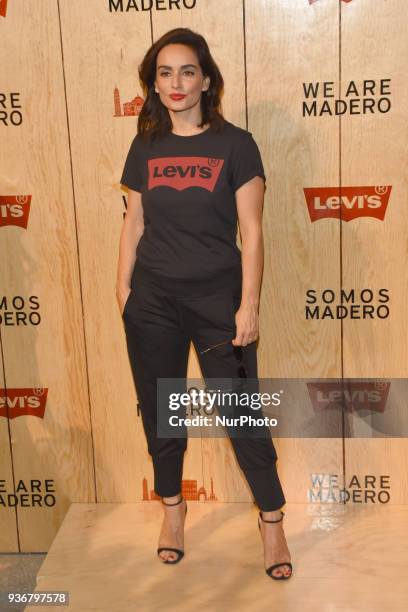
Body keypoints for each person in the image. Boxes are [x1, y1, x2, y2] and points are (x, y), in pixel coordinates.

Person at [117, 27, 292, 580]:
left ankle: (272, 520)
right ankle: (173, 511)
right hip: (152, 302)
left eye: (186, 71)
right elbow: (133, 222)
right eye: (164, 73)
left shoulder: (236, 145)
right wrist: (122, 290)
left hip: (219, 302)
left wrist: (249, 304)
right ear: (154, 83)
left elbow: (253, 232)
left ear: (206, 79)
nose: (176, 82)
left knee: (241, 414)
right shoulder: (145, 143)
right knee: (162, 413)